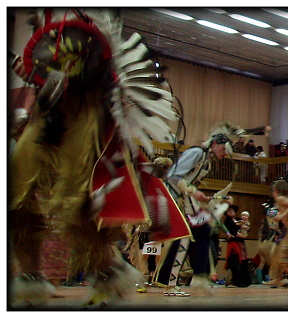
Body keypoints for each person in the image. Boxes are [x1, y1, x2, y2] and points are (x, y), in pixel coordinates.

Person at [9, 8, 178, 306]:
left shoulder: (90, 18)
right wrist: (38, 71)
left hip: (91, 104)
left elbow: (101, 63)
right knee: (16, 188)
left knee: (82, 198)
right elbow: (40, 64)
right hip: (49, 108)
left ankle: (105, 272)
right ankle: (30, 277)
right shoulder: (46, 18)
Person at [155, 123, 245, 297]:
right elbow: (173, 176)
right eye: (224, 149)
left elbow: (189, 184)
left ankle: (181, 280)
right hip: (172, 197)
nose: (224, 154)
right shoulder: (197, 153)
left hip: (183, 199)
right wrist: (194, 194)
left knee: (194, 235)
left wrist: (199, 197)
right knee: (182, 238)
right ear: (215, 144)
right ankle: (170, 281)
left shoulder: (207, 163)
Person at [223, 206, 251, 287]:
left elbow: (246, 227)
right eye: (229, 211)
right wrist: (239, 231)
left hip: (240, 243)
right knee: (234, 261)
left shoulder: (238, 219)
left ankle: (243, 281)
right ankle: (233, 281)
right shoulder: (227, 221)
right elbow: (232, 230)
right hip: (233, 244)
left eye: (232, 210)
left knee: (242, 261)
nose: (231, 212)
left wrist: (245, 228)